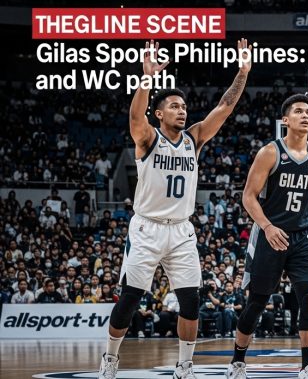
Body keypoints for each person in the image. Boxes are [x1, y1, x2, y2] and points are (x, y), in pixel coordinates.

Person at [99, 39, 251, 379]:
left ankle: (184, 366)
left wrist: (242, 72)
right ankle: (109, 358)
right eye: (174, 106)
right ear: (159, 113)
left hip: (181, 229)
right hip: (147, 227)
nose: (182, 111)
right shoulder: (148, 138)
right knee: (130, 299)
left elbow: (224, 107)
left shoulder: (193, 139)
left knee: (191, 301)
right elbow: (135, 115)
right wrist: (146, 78)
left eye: (184, 106)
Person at [226, 94, 308, 379]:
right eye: (299, 111)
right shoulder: (270, 152)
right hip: (271, 235)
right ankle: (237, 361)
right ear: (285, 120)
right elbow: (248, 196)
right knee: (257, 302)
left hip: (302, 237)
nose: (305, 116)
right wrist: (267, 226)